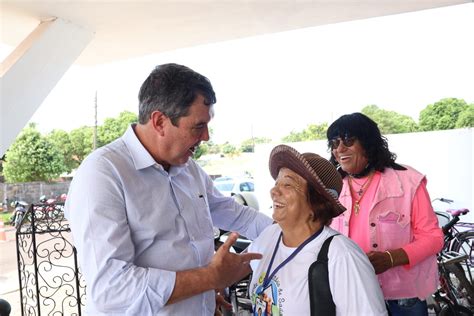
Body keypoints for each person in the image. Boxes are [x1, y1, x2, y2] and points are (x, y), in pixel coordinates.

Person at [64, 63, 273, 315]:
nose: (206, 136)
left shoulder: (189, 169)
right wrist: (210, 279)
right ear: (160, 121)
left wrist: (291, 230)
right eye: (198, 126)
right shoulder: (103, 173)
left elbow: (232, 213)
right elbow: (112, 288)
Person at [247, 144, 388, 315]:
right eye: (277, 183)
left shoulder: (342, 255)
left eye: (288, 185)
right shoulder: (270, 236)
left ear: (316, 202)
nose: (274, 191)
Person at [327, 113, 444, 316]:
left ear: (368, 143)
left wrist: (390, 259)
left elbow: (433, 238)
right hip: (353, 292)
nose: (339, 149)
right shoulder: (333, 188)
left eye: (348, 140)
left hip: (403, 296)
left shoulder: (408, 181)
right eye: (334, 143)